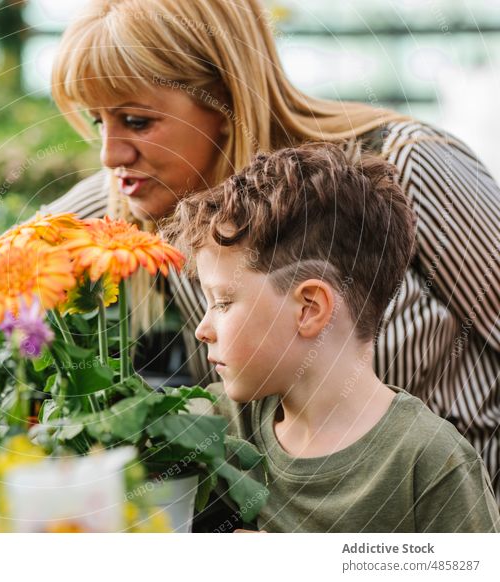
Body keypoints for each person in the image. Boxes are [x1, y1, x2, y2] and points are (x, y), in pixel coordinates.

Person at [0, 0, 500, 504]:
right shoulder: (147, 199)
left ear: (226, 97)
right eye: (98, 121)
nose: (109, 154)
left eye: (136, 120)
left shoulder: (406, 171)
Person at [163, 143, 500, 532]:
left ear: (309, 308)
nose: (202, 330)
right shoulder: (222, 424)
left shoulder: (431, 464)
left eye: (222, 302)